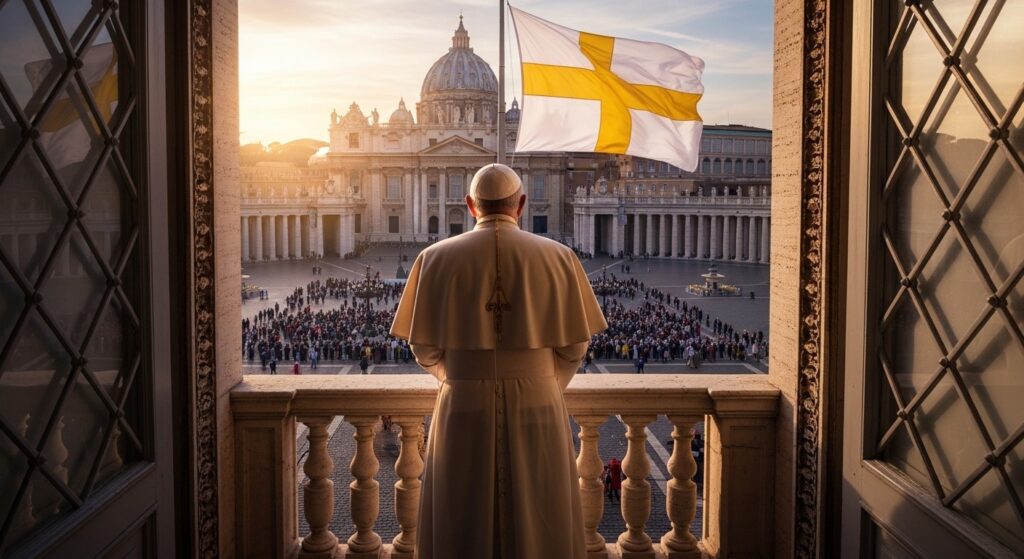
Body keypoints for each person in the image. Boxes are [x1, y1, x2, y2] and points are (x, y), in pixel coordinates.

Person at [391, 163, 607, 559]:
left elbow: (423, 350)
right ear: (521, 204)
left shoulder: (432, 259)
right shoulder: (560, 257)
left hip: (462, 405)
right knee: (542, 514)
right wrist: (541, 379)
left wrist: (459, 374)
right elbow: (575, 347)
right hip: (539, 403)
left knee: (462, 515)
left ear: (469, 205)